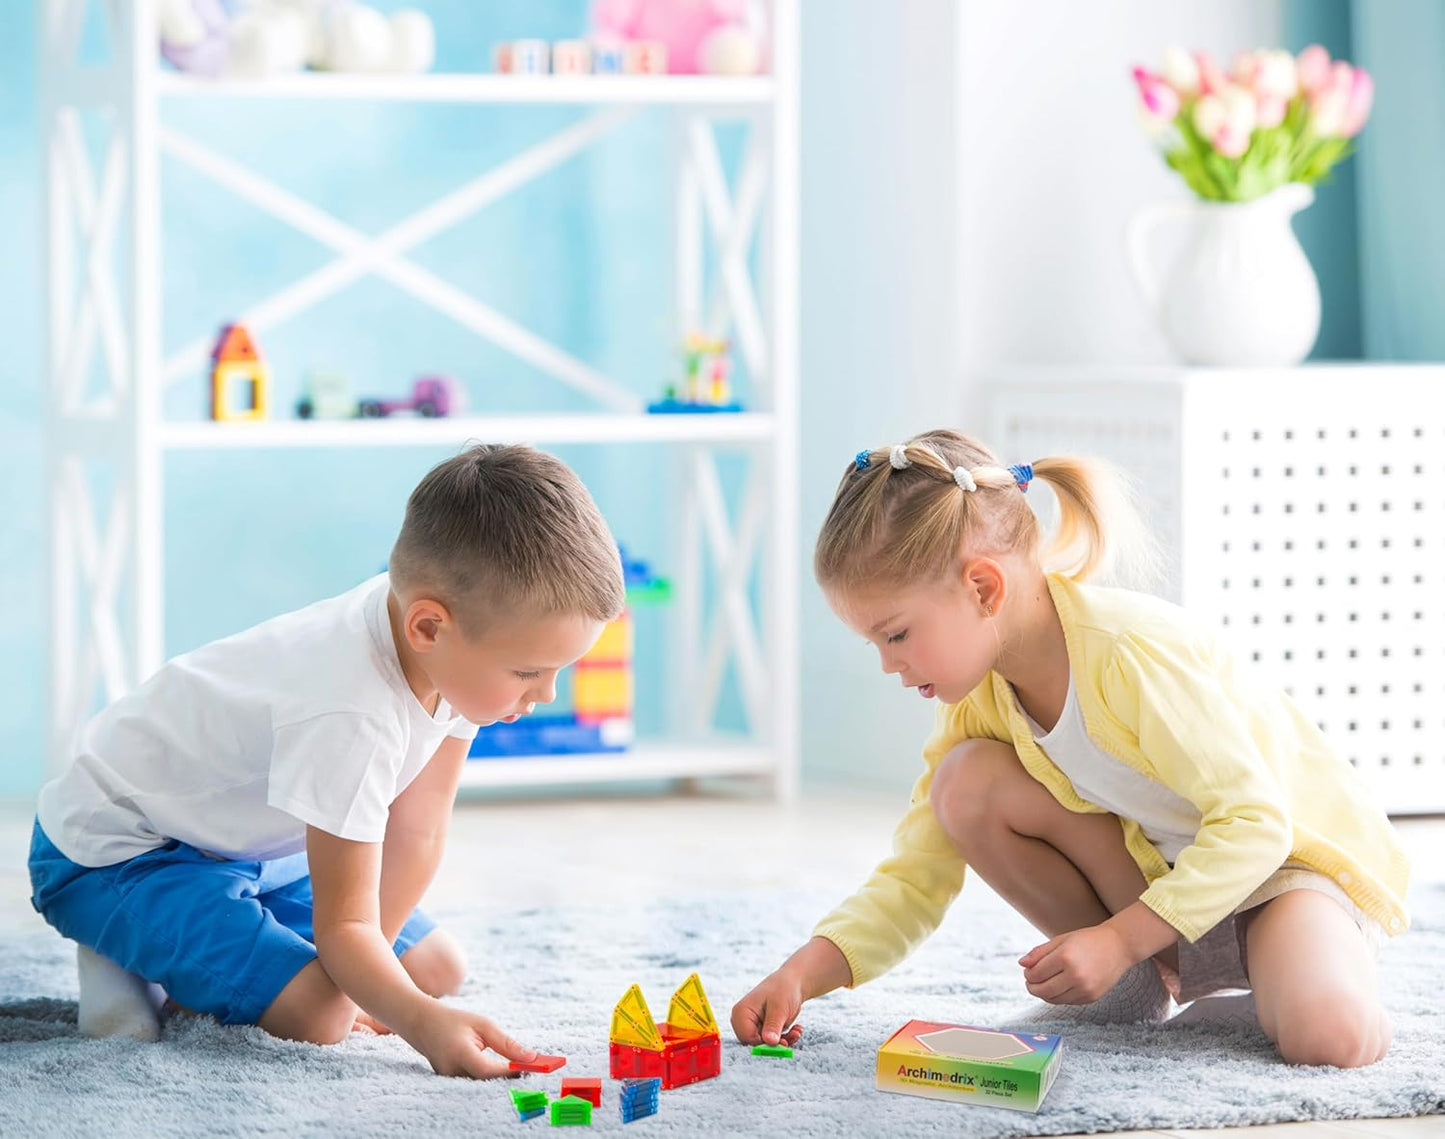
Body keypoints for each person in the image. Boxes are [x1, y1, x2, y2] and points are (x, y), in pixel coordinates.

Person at [732, 429, 1409, 1068]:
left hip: (1278, 872)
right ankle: (1135, 988)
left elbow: (1256, 825)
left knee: (1329, 1036)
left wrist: (1118, 938)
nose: (887, 664)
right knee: (963, 783)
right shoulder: (979, 704)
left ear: (981, 587)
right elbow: (916, 874)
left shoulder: (1128, 655)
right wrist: (804, 970)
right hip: (1161, 889)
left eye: (897, 634)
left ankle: (1300, 978)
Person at [30, 443, 623, 1077]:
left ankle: (181, 944)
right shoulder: (348, 712)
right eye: (529, 671)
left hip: (254, 849)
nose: (546, 694)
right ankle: (120, 949)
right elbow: (346, 929)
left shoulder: (443, 641)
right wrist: (417, 1022)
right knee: (322, 1018)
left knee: (436, 967)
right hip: (120, 852)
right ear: (430, 626)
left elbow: (417, 833)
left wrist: (374, 982)